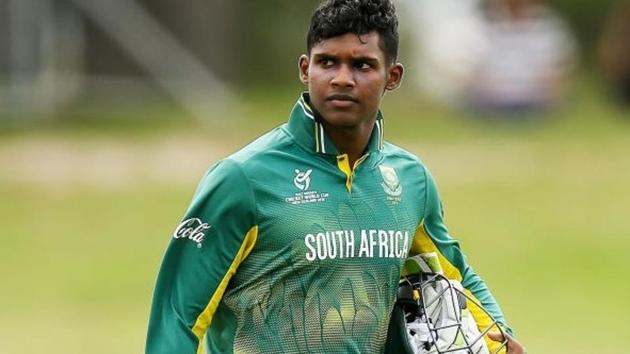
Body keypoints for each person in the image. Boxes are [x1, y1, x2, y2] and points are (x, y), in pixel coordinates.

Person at [145, 1, 525, 353]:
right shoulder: (242, 180)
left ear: (392, 76)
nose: (342, 78)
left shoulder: (410, 181)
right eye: (327, 62)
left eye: (362, 65)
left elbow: (455, 275)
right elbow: (179, 315)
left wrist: (501, 340)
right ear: (305, 69)